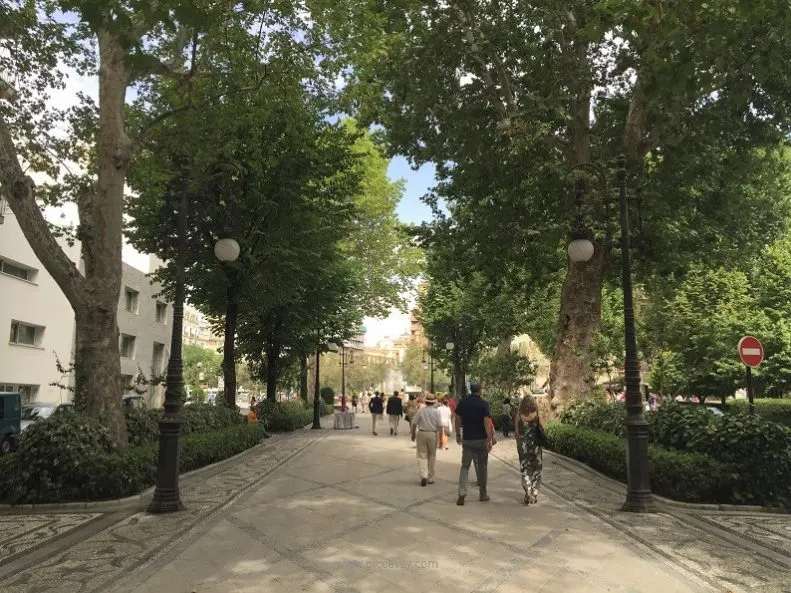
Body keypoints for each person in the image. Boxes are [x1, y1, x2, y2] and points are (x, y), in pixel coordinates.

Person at [454, 382, 494, 505]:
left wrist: (458, 434)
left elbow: (457, 418)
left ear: (470, 390)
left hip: (467, 439)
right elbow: (486, 422)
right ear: (480, 390)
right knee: (482, 467)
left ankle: (462, 492)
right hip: (480, 440)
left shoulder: (463, 402)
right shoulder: (483, 404)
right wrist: (489, 438)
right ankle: (483, 494)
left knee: (465, 466)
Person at [514, 394, 543, 505]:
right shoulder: (536, 413)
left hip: (523, 445)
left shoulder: (519, 415)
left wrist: (519, 444)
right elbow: (543, 427)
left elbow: (517, 433)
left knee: (525, 469)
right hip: (535, 445)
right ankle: (534, 494)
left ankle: (528, 489)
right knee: (537, 469)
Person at [410, 392, 444, 486]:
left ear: (426, 402)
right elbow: (440, 427)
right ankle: (430, 477)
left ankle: (423, 475)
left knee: (422, 455)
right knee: (432, 456)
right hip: (433, 434)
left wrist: (413, 434)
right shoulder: (437, 412)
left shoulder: (421, 411)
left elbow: (414, 423)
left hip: (421, 433)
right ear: (433, 402)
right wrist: (441, 440)